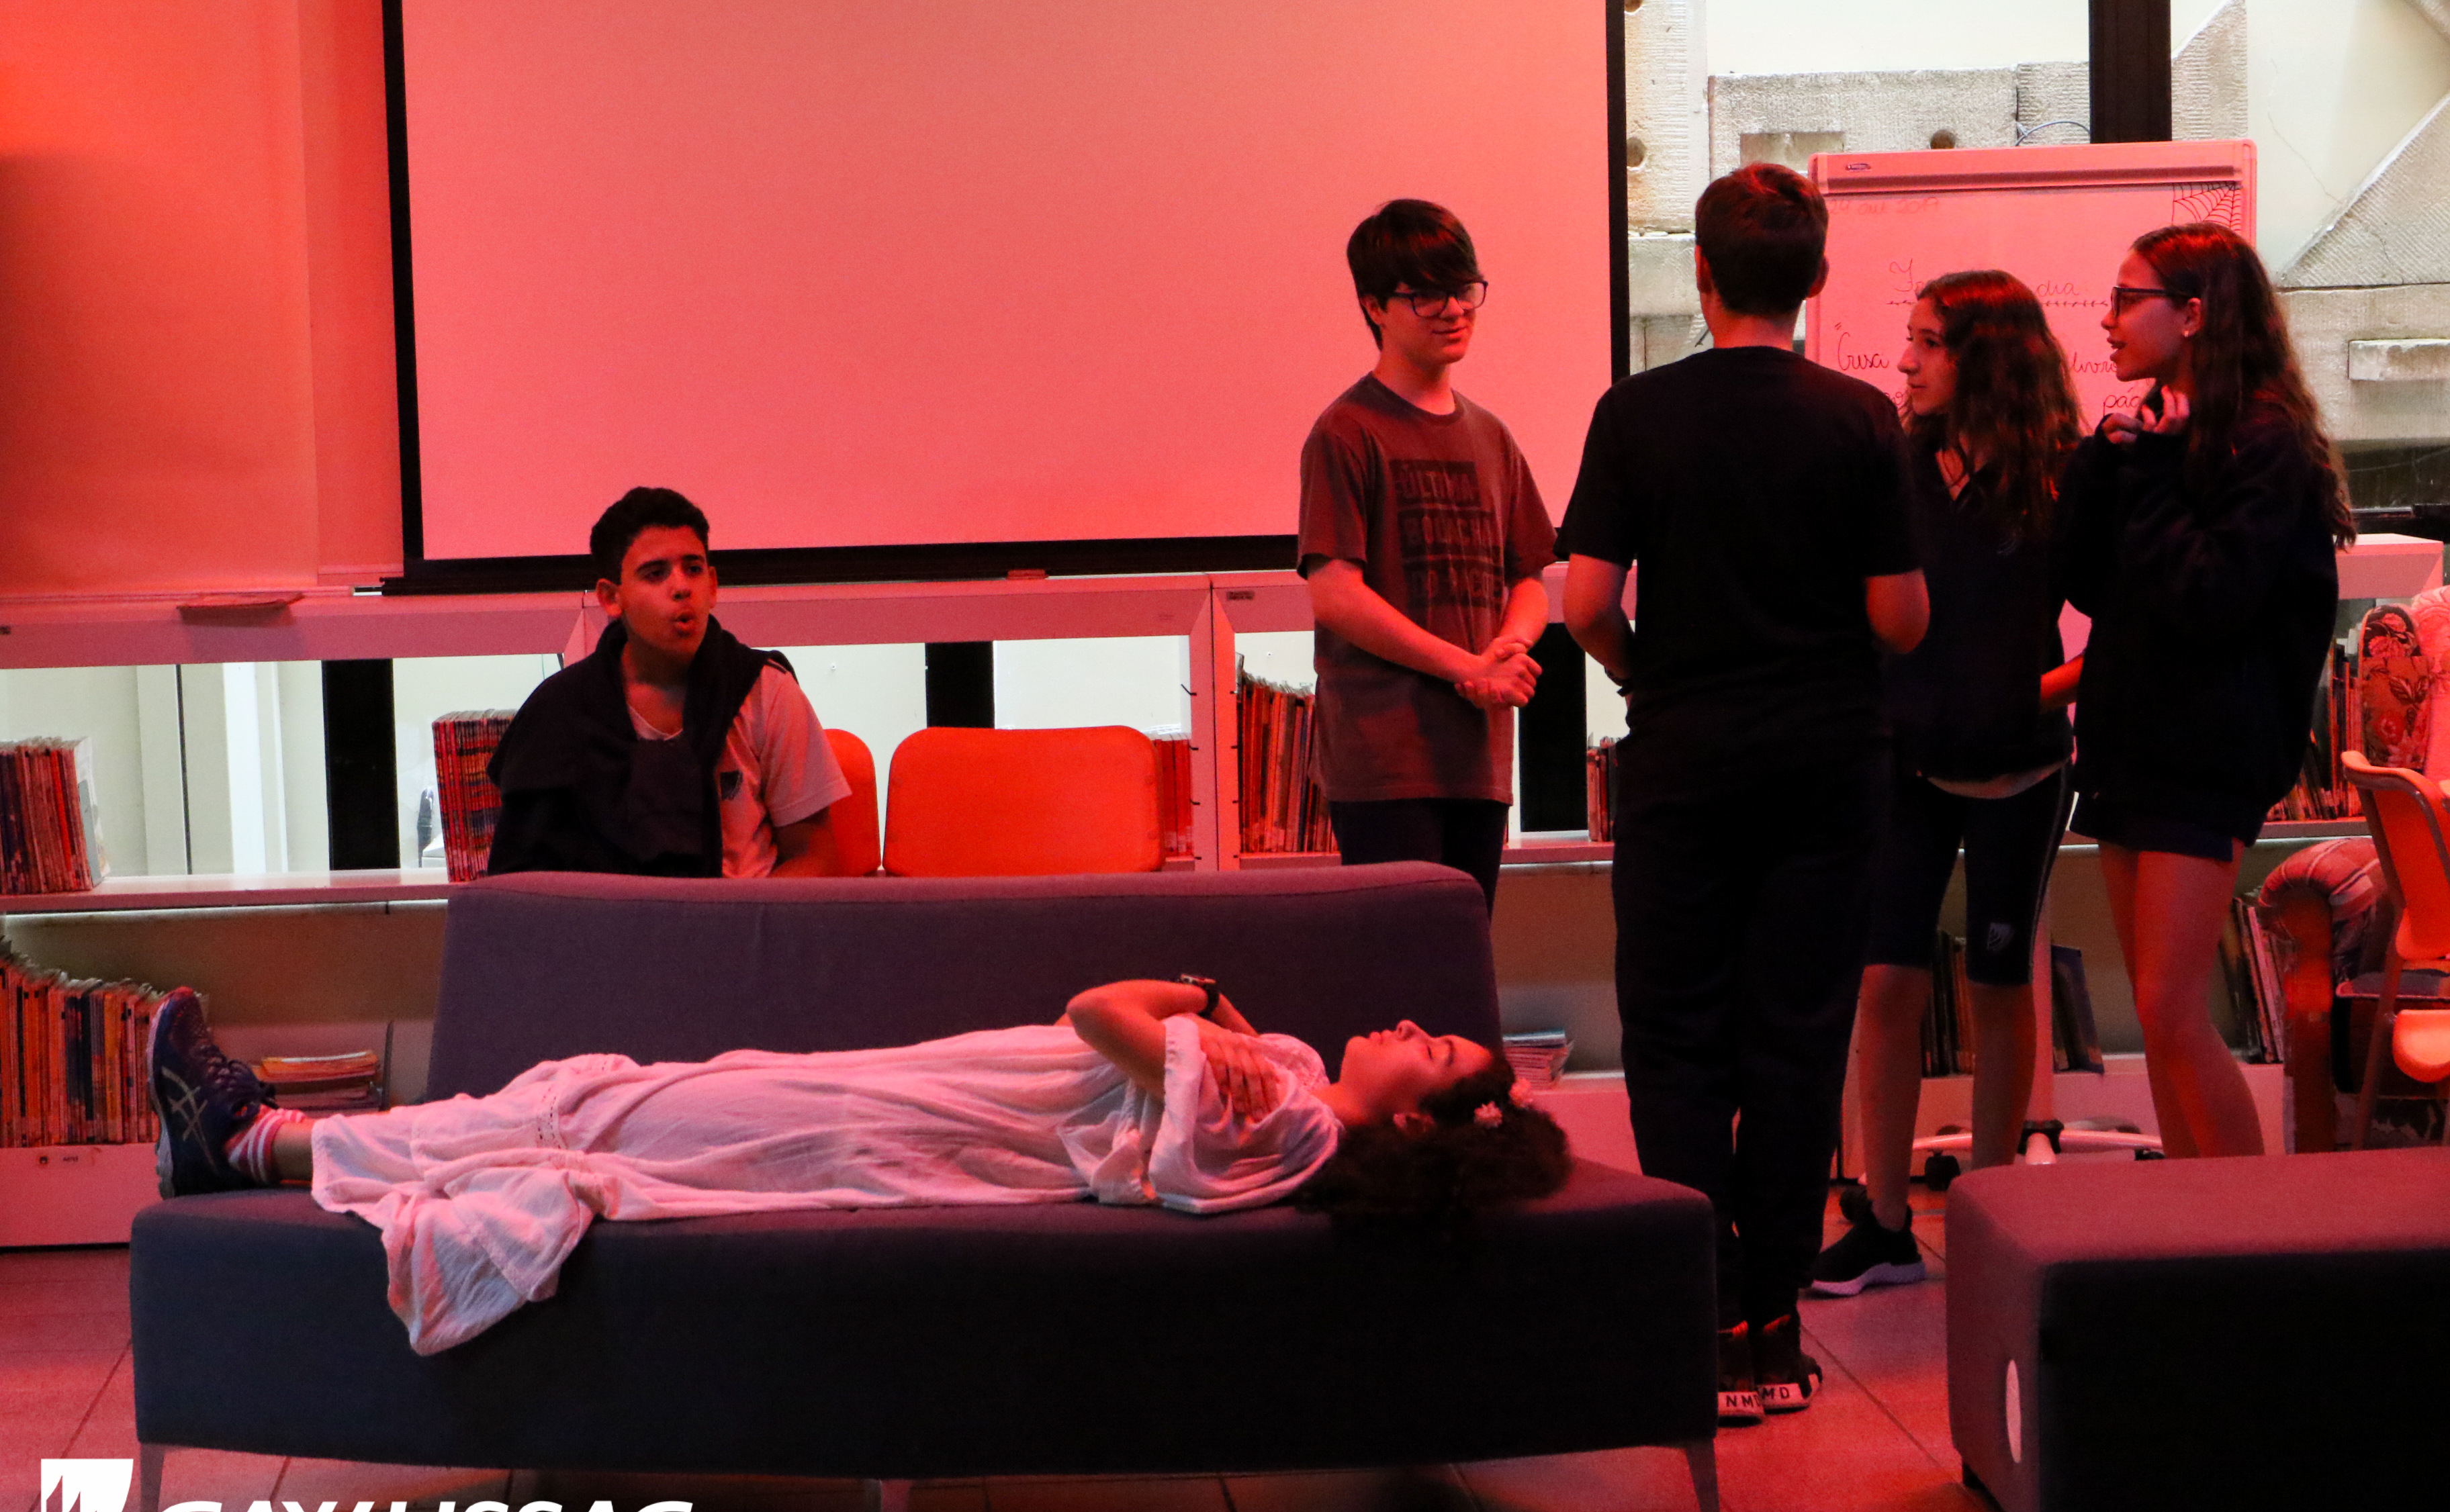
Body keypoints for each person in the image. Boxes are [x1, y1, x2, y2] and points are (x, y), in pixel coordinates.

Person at [146, 980, 1569, 1355]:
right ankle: (260, 1135)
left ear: (1417, 1128)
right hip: (926, 1096)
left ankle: (255, 1140)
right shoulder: (1293, 1073)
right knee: (592, 1101)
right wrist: (1209, 1013)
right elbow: (1128, 1028)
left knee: (598, 1117)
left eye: (1433, 1050)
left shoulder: (1300, 1126)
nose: (1409, 1026)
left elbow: (1099, 1012)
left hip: (924, 1132)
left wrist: (1192, 999)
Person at [1559, 164, 1927, 1425]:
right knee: (1794, 1035)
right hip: (1828, 763)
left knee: (1674, 1038)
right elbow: (1901, 616)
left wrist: (1649, 673)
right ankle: (1776, 1324)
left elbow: (1585, 605)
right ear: (1815, 279)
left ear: (1701, 274)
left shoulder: (1635, 413)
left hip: (1684, 760)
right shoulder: (1861, 420)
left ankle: (1705, 1319)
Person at [1810, 271, 2084, 1298]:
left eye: (1929, 343)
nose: (1906, 362)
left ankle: (1994, 1210)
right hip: (1905, 766)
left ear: (1986, 358)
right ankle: (1885, 1222)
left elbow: (2128, 621)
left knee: (1999, 986)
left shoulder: (2062, 473)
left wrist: (2029, 695)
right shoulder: (1895, 464)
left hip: (2021, 769)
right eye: (1912, 339)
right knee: (1885, 981)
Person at [2055, 221, 2349, 1158]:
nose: (2107, 319)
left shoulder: (2263, 442)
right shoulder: (2162, 436)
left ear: (2191, 314)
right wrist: (2104, 463)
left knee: (2170, 1009)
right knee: (2161, 1019)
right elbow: (2092, 585)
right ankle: (2189, 1223)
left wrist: (2148, 475)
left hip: (2203, 755)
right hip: (2131, 746)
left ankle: (2242, 1228)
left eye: (2125, 298)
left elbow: (2210, 598)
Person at [1298, 199, 1557, 909]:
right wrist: (1465, 667)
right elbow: (1336, 594)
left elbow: (1529, 577)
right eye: (1426, 295)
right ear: (1374, 306)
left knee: (1464, 956)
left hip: (1477, 758)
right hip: (1385, 761)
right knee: (1401, 962)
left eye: (1464, 288)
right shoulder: (1346, 432)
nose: (1454, 310)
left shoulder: (1493, 435)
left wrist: (1507, 648)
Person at [486, 487, 854, 878]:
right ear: (611, 598)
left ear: (713, 586)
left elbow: (813, 855)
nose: (681, 588)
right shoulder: (559, 710)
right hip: (608, 917)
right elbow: (522, 879)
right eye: (655, 574)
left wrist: (743, 916)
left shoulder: (766, 691)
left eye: (693, 569)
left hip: (744, 914)